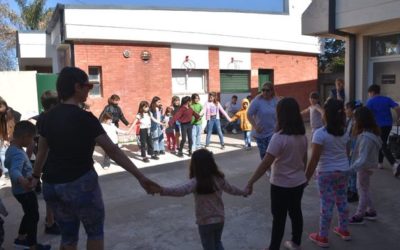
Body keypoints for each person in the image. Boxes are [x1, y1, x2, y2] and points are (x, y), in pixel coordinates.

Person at [31, 67, 159, 250]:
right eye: (87, 87)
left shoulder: (46, 118)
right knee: (95, 232)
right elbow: (112, 151)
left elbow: (42, 151)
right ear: (77, 87)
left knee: (68, 236)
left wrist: (35, 177)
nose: (89, 91)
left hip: (52, 186)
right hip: (80, 183)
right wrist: (140, 176)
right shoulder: (85, 118)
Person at [246, 97, 307, 250]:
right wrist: (301, 175)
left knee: (279, 218)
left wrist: (250, 181)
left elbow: (266, 163)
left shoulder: (278, 138)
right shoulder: (302, 136)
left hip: (280, 185)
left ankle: (274, 247)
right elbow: (304, 159)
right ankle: (296, 243)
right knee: (296, 212)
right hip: (298, 183)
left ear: (280, 115)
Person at [159, 149, 247, 250]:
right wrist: (243, 192)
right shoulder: (218, 178)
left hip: (205, 222)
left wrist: (161, 190)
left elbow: (180, 190)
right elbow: (232, 189)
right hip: (219, 219)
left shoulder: (195, 182)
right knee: (217, 242)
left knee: (209, 247)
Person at [305, 99, 351, 248]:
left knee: (327, 205)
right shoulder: (345, 132)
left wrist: (305, 178)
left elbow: (314, 159)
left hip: (326, 173)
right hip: (343, 171)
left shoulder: (319, 134)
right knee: (342, 201)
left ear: (326, 114)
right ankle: (344, 230)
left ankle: (322, 237)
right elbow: (346, 153)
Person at [5, 121, 51, 250]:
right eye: (32, 138)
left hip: (19, 190)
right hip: (24, 191)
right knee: (33, 216)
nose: (33, 141)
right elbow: (14, 170)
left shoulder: (13, 149)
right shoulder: (17, 153)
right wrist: (23, 180)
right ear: (25, 136)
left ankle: (20, 239)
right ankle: (32, 245)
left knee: (28, 214)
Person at [26, 90, 60, 235]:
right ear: (53, 105)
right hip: (50, 160)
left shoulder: (38, 119)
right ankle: (50, 222)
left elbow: (32, 141)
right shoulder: (50, 119)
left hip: (45, 160)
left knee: (52, 192)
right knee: (53, 193)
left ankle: (51, 219)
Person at [348, 107, 382, 224]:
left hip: (364, 167)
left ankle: (359, 215)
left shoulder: (366, 137)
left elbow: (362, 158)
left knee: (362, 190)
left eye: (355, 119)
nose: (353, 121)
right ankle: (371, 211)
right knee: (365, 188)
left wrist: (350, 169)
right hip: (368, 165)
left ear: (360, 120)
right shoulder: (372, 134)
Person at [366, 84, 400, 176]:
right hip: (388, 125)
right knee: (382, 142)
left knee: (382, 145)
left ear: (372, 92)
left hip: (378, 126)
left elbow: (366, 114)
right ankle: (380, 163)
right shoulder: (386, 99)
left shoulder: (370, 102)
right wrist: (398, 118)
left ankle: (395, 164)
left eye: (369, 93)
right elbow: (397, 107)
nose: (369, 95)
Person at [247, 82, 279, 160]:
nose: (264, 92)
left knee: (272, 154)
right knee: (264, 155)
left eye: (267, 90)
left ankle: (272, 171)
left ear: (272, 91)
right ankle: (268, 171)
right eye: (263, 90)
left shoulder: (275, 101)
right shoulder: (257, 101)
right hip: (260, 133)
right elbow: (249, 114)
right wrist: (255, 126)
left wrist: (278, 127)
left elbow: (279, 114)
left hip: (272, 132)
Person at [0, 96, 21, 182]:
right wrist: (3, 138)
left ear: (5, 104)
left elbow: (15, 127)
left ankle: (16, 169)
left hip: (13, 138)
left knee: (15, 153)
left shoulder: (14, 114)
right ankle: (6, 171)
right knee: (3, 152)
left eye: (0, 106)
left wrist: (9, 138)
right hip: (4, 138)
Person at [344, 101, 362, 203]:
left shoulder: (356, 122)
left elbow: (353, 137)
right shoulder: (350, 120)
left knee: (353, 169)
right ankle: (351, 189)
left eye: (347, 109)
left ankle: (353, 191)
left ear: (353, 110)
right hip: (351, 148)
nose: (345, 111)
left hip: (353, 149)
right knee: (351, 169)